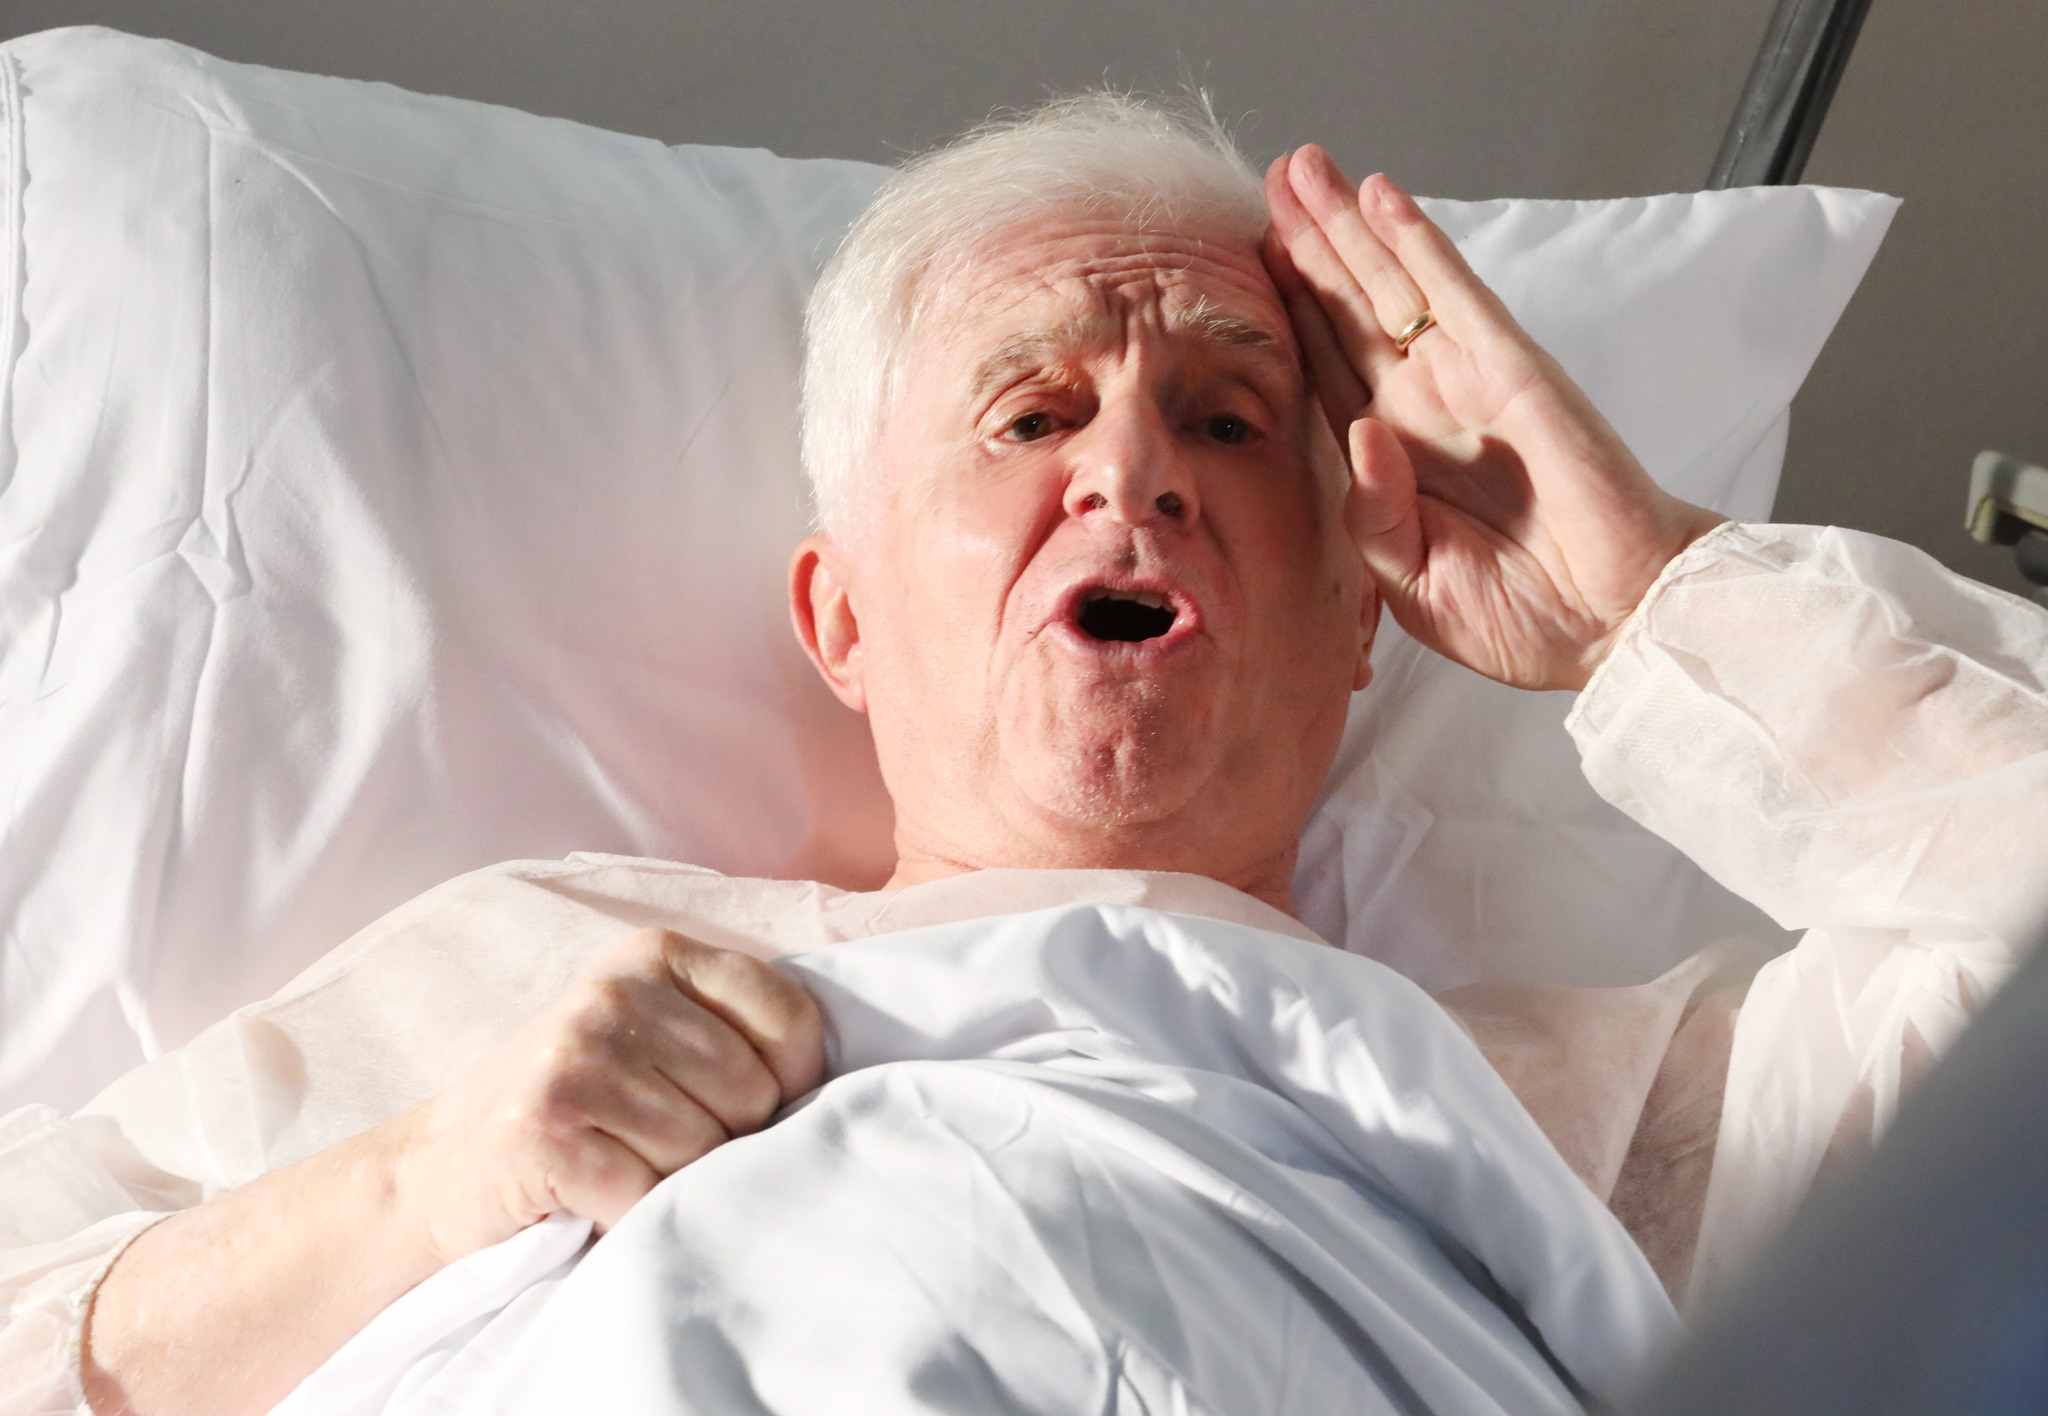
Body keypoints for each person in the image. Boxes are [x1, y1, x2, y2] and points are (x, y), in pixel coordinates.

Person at [2, 95, 2043, 1416]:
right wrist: (425, 1185)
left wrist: (1647, 595)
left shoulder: (1612, 1117)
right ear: (843, 620)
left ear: (1360, 621)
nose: (1131, 473)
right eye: (1029, 417)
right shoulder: (536, 979)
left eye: (1226, 422)